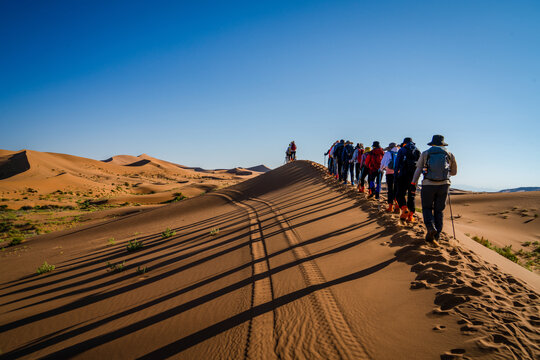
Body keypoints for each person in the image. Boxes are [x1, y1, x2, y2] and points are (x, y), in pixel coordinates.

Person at [412, 135, 457, 243]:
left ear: (432, 144)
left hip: (428, 184)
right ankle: (437, 236)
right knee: (439, 211)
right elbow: (454, 173)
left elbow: (418, 169)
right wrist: (444, 173)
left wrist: (414, 182)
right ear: (442, 144)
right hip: (444, 185)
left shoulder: (426, 153)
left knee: (427, 208)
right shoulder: (449, 154)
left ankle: (430, 227)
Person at [394, 137, 421, 221]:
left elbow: (397, 163)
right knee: (411, 196)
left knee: (400, 194)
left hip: (403, 175)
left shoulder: (402, 150)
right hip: (414, 177)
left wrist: (396, 175)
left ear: (404, 143)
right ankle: (411, 216)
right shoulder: (417, 150)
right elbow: (420, 165)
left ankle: (405, 209)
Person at [380, 142, 399, 212]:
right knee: (397, 190)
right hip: (398, 173)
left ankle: (390, 207)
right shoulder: (400, 152)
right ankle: (397, 205)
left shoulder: (387, 153)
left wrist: (381, 169)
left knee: (390, 189)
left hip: (389, 173)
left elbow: (383, 163)